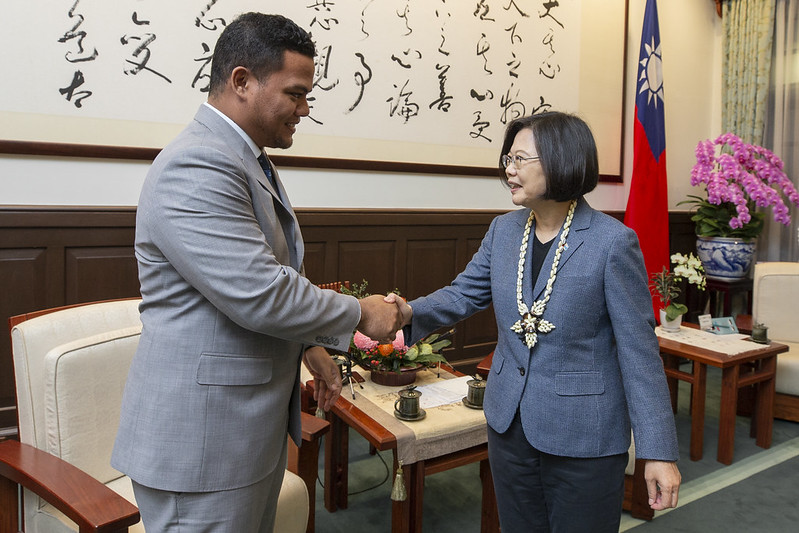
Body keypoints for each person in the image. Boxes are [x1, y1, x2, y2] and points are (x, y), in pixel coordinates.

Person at [111, 12, 401, 532]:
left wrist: (310, 345)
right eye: (295, 94)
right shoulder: (197, 164)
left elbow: (267, 274)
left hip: (240, 435)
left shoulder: (244, 156)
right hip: (202, 446)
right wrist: (361, 313)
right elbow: (261, 291)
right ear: (242, 81)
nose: (304, 109)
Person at [388, 112, 681, 532]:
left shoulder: (612, 242)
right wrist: (407, 313)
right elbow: (463, 294)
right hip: (509, 425)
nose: (509, 169)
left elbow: (640, 353)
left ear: (561, 161)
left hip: (585, 436)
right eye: (508, 158)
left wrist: (659, 451)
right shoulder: (503, 231)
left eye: (520, 159)